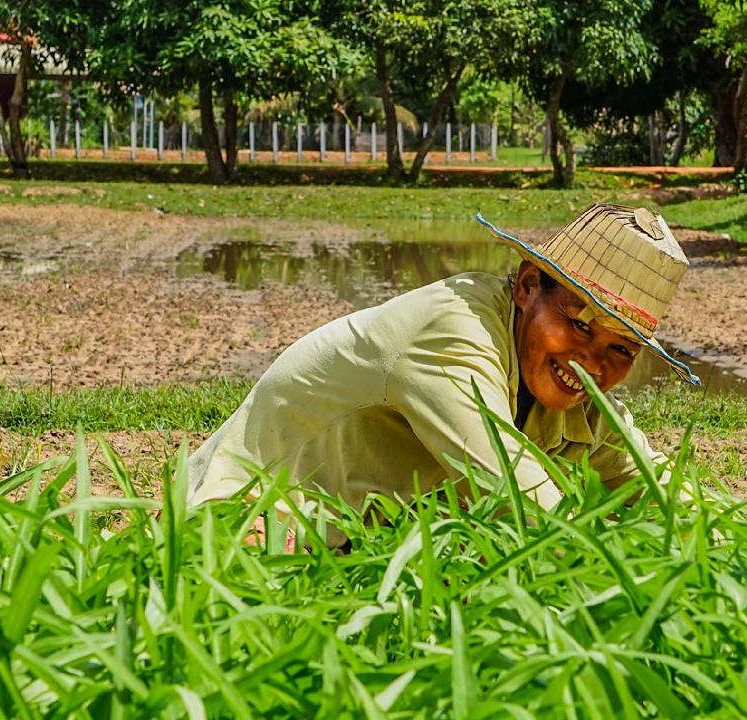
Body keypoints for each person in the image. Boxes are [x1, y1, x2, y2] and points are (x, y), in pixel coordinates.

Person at [186, 203, 699, 547]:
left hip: (359, 548)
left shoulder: (576, 391)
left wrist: (724, 547)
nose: (592, 362)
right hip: (250, 522)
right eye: (577, 322)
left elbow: (658, 486)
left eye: (621, 348)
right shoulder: (456, 332)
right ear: (526, 287)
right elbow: (523, 502)